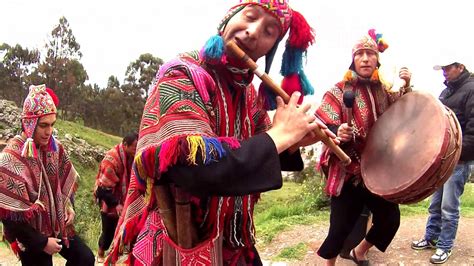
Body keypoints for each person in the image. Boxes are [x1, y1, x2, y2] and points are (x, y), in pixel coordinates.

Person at [105, 1, 337, 265]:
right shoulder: (181, 74)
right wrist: (279, 136)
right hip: (176, 243)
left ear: (271, 48)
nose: (253, 32)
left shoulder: (248, 94)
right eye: (249, 17)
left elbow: (257, 153)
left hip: (232, 240)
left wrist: (294, 140)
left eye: (269, 32)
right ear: (228, 18)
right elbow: (193, 171)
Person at [315, 29, 412, 265]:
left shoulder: (386, 90)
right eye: (360, 54)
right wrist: (338, 130)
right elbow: (321, 122)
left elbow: (405, 113)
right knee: (340, 227)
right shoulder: (338, 90)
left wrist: (407, 85)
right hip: (348, 170)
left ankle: (360, 251)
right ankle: (329, 264)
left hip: (378, 170)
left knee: (390, 220)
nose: (366, 58)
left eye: (370, 53)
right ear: (353, 59)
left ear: (378, 59)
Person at [0, 84, 95, 266]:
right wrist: (42, 242)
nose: (49, 131)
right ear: (29, 123)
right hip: (29, 234)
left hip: (57, 224)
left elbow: (62, 185)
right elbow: (10, 217)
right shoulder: (10, 159)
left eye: (52, 125)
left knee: (84, 258)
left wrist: (69, 208)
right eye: (43, 125)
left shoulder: (55, 148)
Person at [411, 59, 474, 264]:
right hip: (441, 158)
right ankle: (431, 237)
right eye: (443, 69)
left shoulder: (471, 89)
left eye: (448, 68)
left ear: (460, 67)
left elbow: (473, 129)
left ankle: (445, 246)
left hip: (459, 159)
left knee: (449, 206)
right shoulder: (446, 93)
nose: (444, 72)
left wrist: (457, 153)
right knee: (435, 203)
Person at [94, 132, 138, 262]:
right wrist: (116, 204)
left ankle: (119, 257)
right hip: (107, 197)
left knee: (126, 228)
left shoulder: (133, 157)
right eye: (134, 147)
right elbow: (102, 189)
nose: (136, 150)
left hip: (124, 198)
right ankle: (101, 252)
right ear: (125, 145)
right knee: (108, 230)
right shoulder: (111, 159)